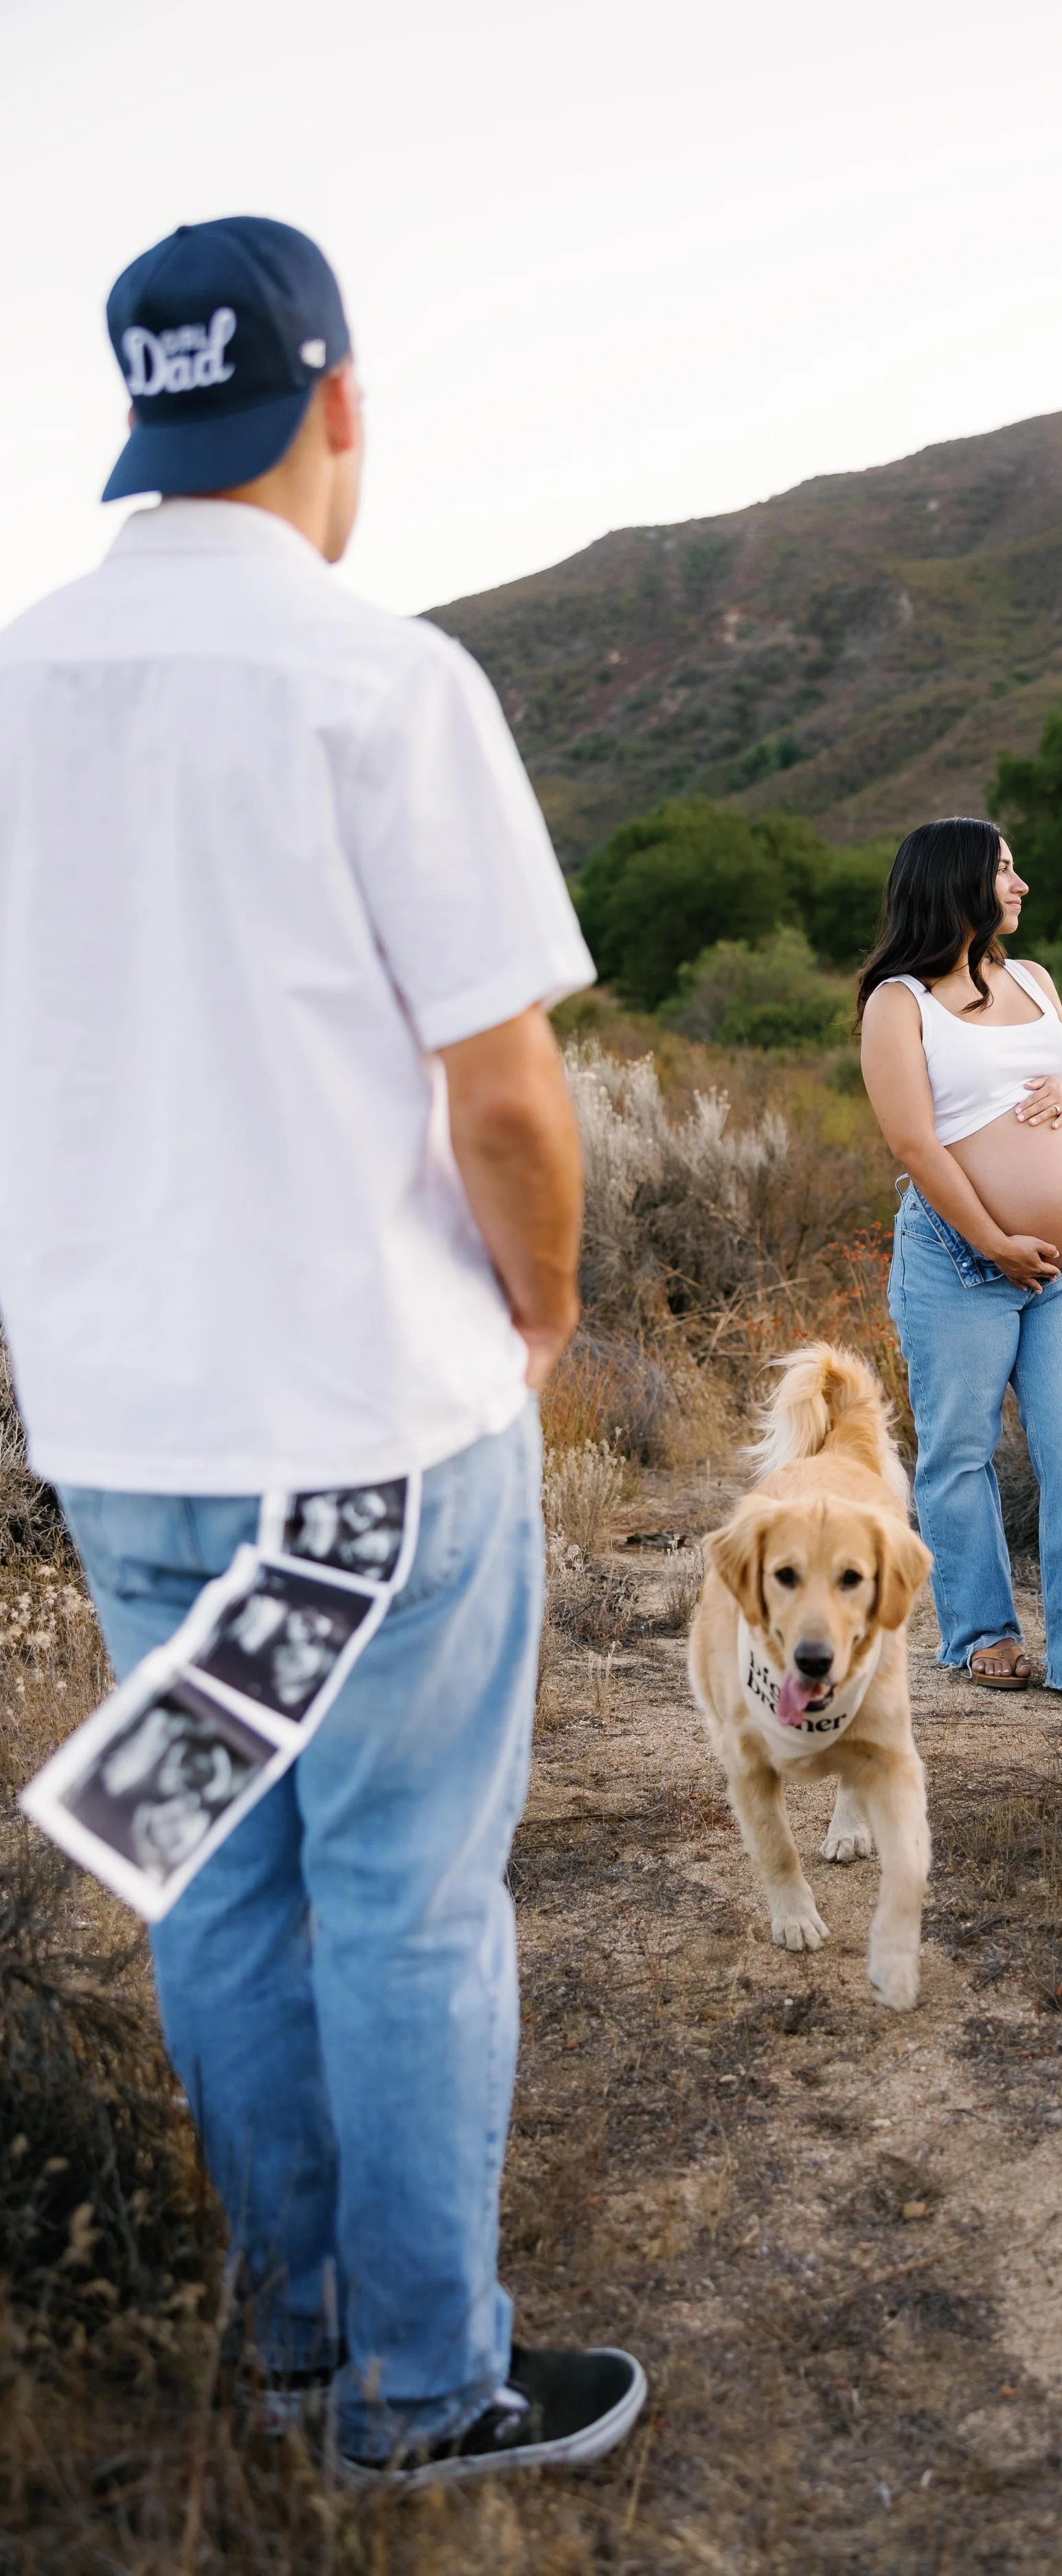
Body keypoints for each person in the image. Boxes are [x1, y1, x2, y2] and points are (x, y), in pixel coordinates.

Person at [0, 217, 647, 2484]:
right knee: (401, 1894)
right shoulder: (379, 683)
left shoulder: (16, 685)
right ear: (338, 401)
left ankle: (290, 2353)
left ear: (145, 417)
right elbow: (503, 1092)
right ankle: (417, 2393)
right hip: (363, 1420)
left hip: (119, 1426)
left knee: (218, 1871)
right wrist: (545, 1304)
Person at [858, 818, 1062, 1702]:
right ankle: (983, 1635)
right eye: (1005, 871)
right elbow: (913, 1143)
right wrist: (993, 1242)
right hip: (959, 1262)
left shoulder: (1036, 978)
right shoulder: (898, 1003)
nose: (1019, 886)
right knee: (959, 1451)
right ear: (959, 884)